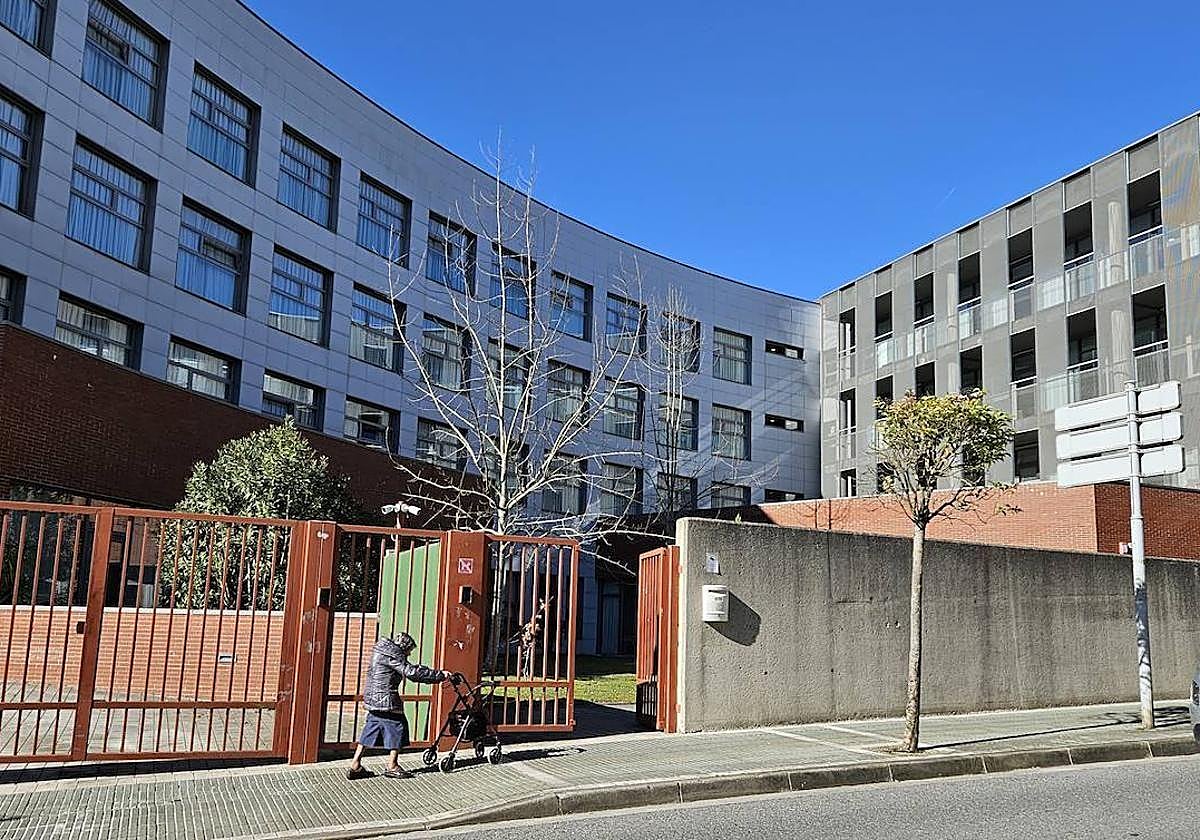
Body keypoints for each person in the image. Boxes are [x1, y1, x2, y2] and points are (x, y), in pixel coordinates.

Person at [347, 631, 449, 780]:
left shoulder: (383, 651)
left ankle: (355, 764)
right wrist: (440, 675)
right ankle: (392, 765)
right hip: (385, 699)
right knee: (398, 726)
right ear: (404, 647)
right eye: (409, 651)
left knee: (370, 728)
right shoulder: (393, 654)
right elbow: (411, 672)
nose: (408, 655)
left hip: (373, 698)